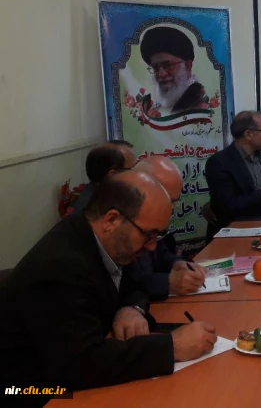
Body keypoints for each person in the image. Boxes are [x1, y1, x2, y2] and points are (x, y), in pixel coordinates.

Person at [0, 172, 217, 403]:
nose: (152, 247)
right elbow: (81, 364)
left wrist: (130, 307)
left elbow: (134, 283)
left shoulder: (107, 241)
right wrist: (173, 347)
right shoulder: (61, 266)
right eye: (148, 235)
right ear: (111, 220)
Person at [125, 156, 207, 300]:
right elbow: (123, 286)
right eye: (169, 200)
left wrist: (177, 263)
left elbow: (162, 255)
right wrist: (166, 283)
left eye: (175, 201)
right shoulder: (120, 224)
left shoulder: (155, 220)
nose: (172, 209)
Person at [140, 26, 207, 114]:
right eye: (155, 68)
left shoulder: (198, 100)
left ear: (187, 66)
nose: (161, 74)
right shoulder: (153, 105)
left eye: (168, 65)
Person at [72, 140, 137, 214]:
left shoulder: (108, 194)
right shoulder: (96, 212)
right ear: (113, 175)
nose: (139, 173)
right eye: (133, 168)